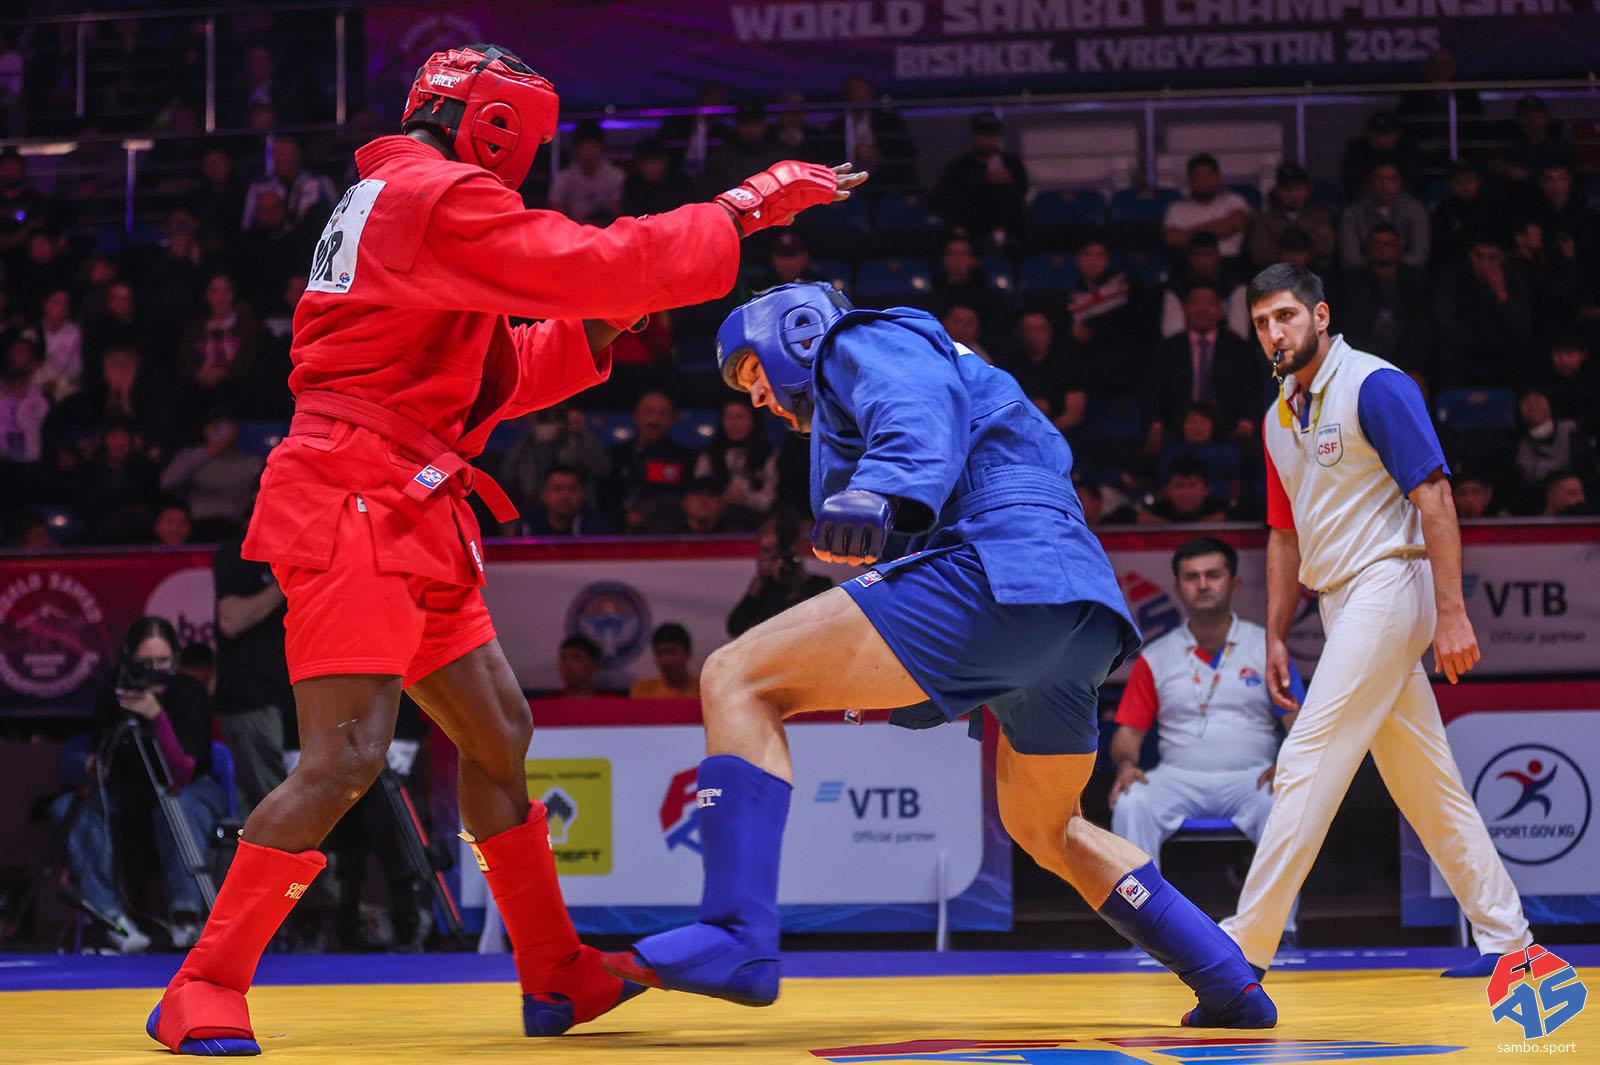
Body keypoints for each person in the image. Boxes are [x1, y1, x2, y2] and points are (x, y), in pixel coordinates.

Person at [146, 42, 862, 1055]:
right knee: (345, 757)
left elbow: (491, 370)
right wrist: (742, 209)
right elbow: (589, 266)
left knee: (498, 734)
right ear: (494, 128)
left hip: (410, 493)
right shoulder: (430, 195)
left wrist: (608, 317)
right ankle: (202, 983)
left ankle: (554, 972)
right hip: (355, 494)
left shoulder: (399, 195)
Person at [602, 281, 1276, 1029]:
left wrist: (880, 487)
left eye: (753, 373)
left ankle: (736, 934)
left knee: (735, 676)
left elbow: (915, 403)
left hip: (995, 568)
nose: (758, 398)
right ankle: (1227, 978)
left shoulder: (858, 338)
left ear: (794, 333)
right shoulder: (912, 376)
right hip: (1073, 608)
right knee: (1048, 829)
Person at [1224, 263, 1531, 981]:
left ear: (1321, 315)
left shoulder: (1375, 384)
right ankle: (1509, 939)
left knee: (1307, 755)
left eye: (1286, 316)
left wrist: (1452, 612)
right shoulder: (1276, 418)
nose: (1274, 333)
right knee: (1424, 778)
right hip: (1342, 600)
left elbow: (1436, 497)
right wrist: (1276, 634)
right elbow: (1282, 536)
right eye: (1262, 322)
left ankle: (1242, 948)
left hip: (1392, 579)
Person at [1109, 538, 1303, 939]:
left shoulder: (1267, 647)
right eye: (1191, 577)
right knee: (1131, 802)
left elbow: (1301, 724)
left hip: (1251, 779)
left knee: (1284, 802)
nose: (1202, 585)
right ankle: (1141, 931)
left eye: (1213, 575)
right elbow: (1127, 734)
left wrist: (1286, 765)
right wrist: (1126, 765)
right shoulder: (1155, 656)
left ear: (1234, 583)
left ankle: (1277, 932)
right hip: (1178, 778)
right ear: (1178, 587)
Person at [49, 617, 228, 954]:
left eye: (163, 662)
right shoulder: (115, 691)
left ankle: (186, 918)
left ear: (176, 659)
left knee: (177, 806)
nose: (155, 672)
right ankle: (111, 919)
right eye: (145, 663)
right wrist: (96, 764)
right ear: (129, 658)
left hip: (186, 791)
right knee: (66, 808)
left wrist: (156, 716)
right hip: (127, 794)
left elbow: (182, 774)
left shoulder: (189, 692)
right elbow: (102, 759)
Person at [212, 532, 292, 817]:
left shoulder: (306, 549)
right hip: (253, 702)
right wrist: (287, 579)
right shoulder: (242, 551)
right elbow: (231, 621)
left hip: (298, 699)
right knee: (274, 806)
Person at [932, 114, 1028, 250]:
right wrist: (985, 180)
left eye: (992, 134)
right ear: (974, 136)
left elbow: (1021, 192)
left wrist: (1007, 182)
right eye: (983, 134)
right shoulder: (960, 166)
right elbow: (944, 199)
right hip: (972, 230)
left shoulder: (1011, 163)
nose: (988, 139)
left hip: (1009, 231)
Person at [726, 516, 833, 637]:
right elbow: (735, 627)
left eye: (779, 552)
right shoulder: (765, 591)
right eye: (767, 552)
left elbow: (825, 622)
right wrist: (759, 581)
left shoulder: (821, 585)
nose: (777, 559)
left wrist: (798, 580)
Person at [1339, 163, 1430, 272]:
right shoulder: (1352, 213)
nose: (1385, 184)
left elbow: (1419, 255)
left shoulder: (1416, 210)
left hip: (1407, 275)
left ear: (1400, 182)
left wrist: (1391, 269)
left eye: (1391, 179)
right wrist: (1379, 269)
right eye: (1379, 179)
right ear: (1370, 182)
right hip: (1363, 277)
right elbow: (1351, 259)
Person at [1246, 163, 1334, 273]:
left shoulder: (1319, 216)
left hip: (1314, 274)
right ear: (1277, 191)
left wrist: (1306, 256)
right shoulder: (1264, 219)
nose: (1293, 194)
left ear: (1308, 188)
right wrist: (1284, 257)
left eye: (1298, 187)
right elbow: (1259, 255)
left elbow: (1327, 248)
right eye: (1286, 188)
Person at [1164, 154, 1252, 260]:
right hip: (1191, 263)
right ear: (1189, 179)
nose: (1203, 180)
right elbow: (1172, 239)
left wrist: (1187, 234)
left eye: (1208, 175)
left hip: (1229, 261)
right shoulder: (1177, 208)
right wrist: (1216, 227)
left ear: (1218, 177)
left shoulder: (1234, 200)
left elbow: (1230, 226)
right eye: (1198, 176)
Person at [548, 119, 625, 224]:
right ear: (576, 148)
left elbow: (619, 213)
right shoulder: (563, 178)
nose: (589, 152)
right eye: (584, 146)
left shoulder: (616, 176)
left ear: (602, 147)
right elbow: (556, 212)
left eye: (593, 146)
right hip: (572, 229)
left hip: (607, 229)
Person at [521, 464, 616, 536]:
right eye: (557, 489)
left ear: (582, 494)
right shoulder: (527, 526)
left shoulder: (599, 527)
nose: (565, 496)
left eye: (572, 489)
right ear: (544, 495)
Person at [628, 623, 700, 698]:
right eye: (659, 653)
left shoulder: (702, 690)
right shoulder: (642, 691)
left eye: (671, 652)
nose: (665, 659)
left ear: (688, 652)